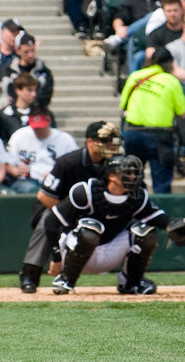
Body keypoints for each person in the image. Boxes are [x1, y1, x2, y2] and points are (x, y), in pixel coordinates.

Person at [45, 153, 185, 295]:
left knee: (145, 232)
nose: (133, 176)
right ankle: (65, 280)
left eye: (135, 172)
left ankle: (131, 284)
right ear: (112, 176)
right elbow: (51, 221)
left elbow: (157, 218)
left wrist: (173, 223)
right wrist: (56, 258)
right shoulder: (85, 191)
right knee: (90, 229)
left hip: (109, 252)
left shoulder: (137, 196)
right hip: (75, 250)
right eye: (127, 173)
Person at [17, 119, 122, 293]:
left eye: (112, 141)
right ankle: (30, 273)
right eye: (105, 141)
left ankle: (134, 277)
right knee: (47, 221)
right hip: (61, 208)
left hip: (97, 211)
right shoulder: (68, 162)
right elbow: (44, 196)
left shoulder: (114, 164)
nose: (110, 146)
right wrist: (67, 215)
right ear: (90, 142)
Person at [120, 46, 185, 193]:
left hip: (134, 133)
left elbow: (123, 104)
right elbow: (182, 112)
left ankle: (136, 212)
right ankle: (159, 214)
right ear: (169, 63)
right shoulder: (171, 81)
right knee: (161, 182)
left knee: (133, 180)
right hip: (160, 138)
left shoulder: (135, 76)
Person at [6, 109, 78, 193]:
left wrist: (57, 173)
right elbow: (5, 161)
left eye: (41, 128)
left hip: (55, 180)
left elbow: (76, 164)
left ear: (49, 122)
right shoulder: (19, 135)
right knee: (31, 190)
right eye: (35, 128)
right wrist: (14, 170)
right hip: (27, 180)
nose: (38, 131)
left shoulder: (65, 139)